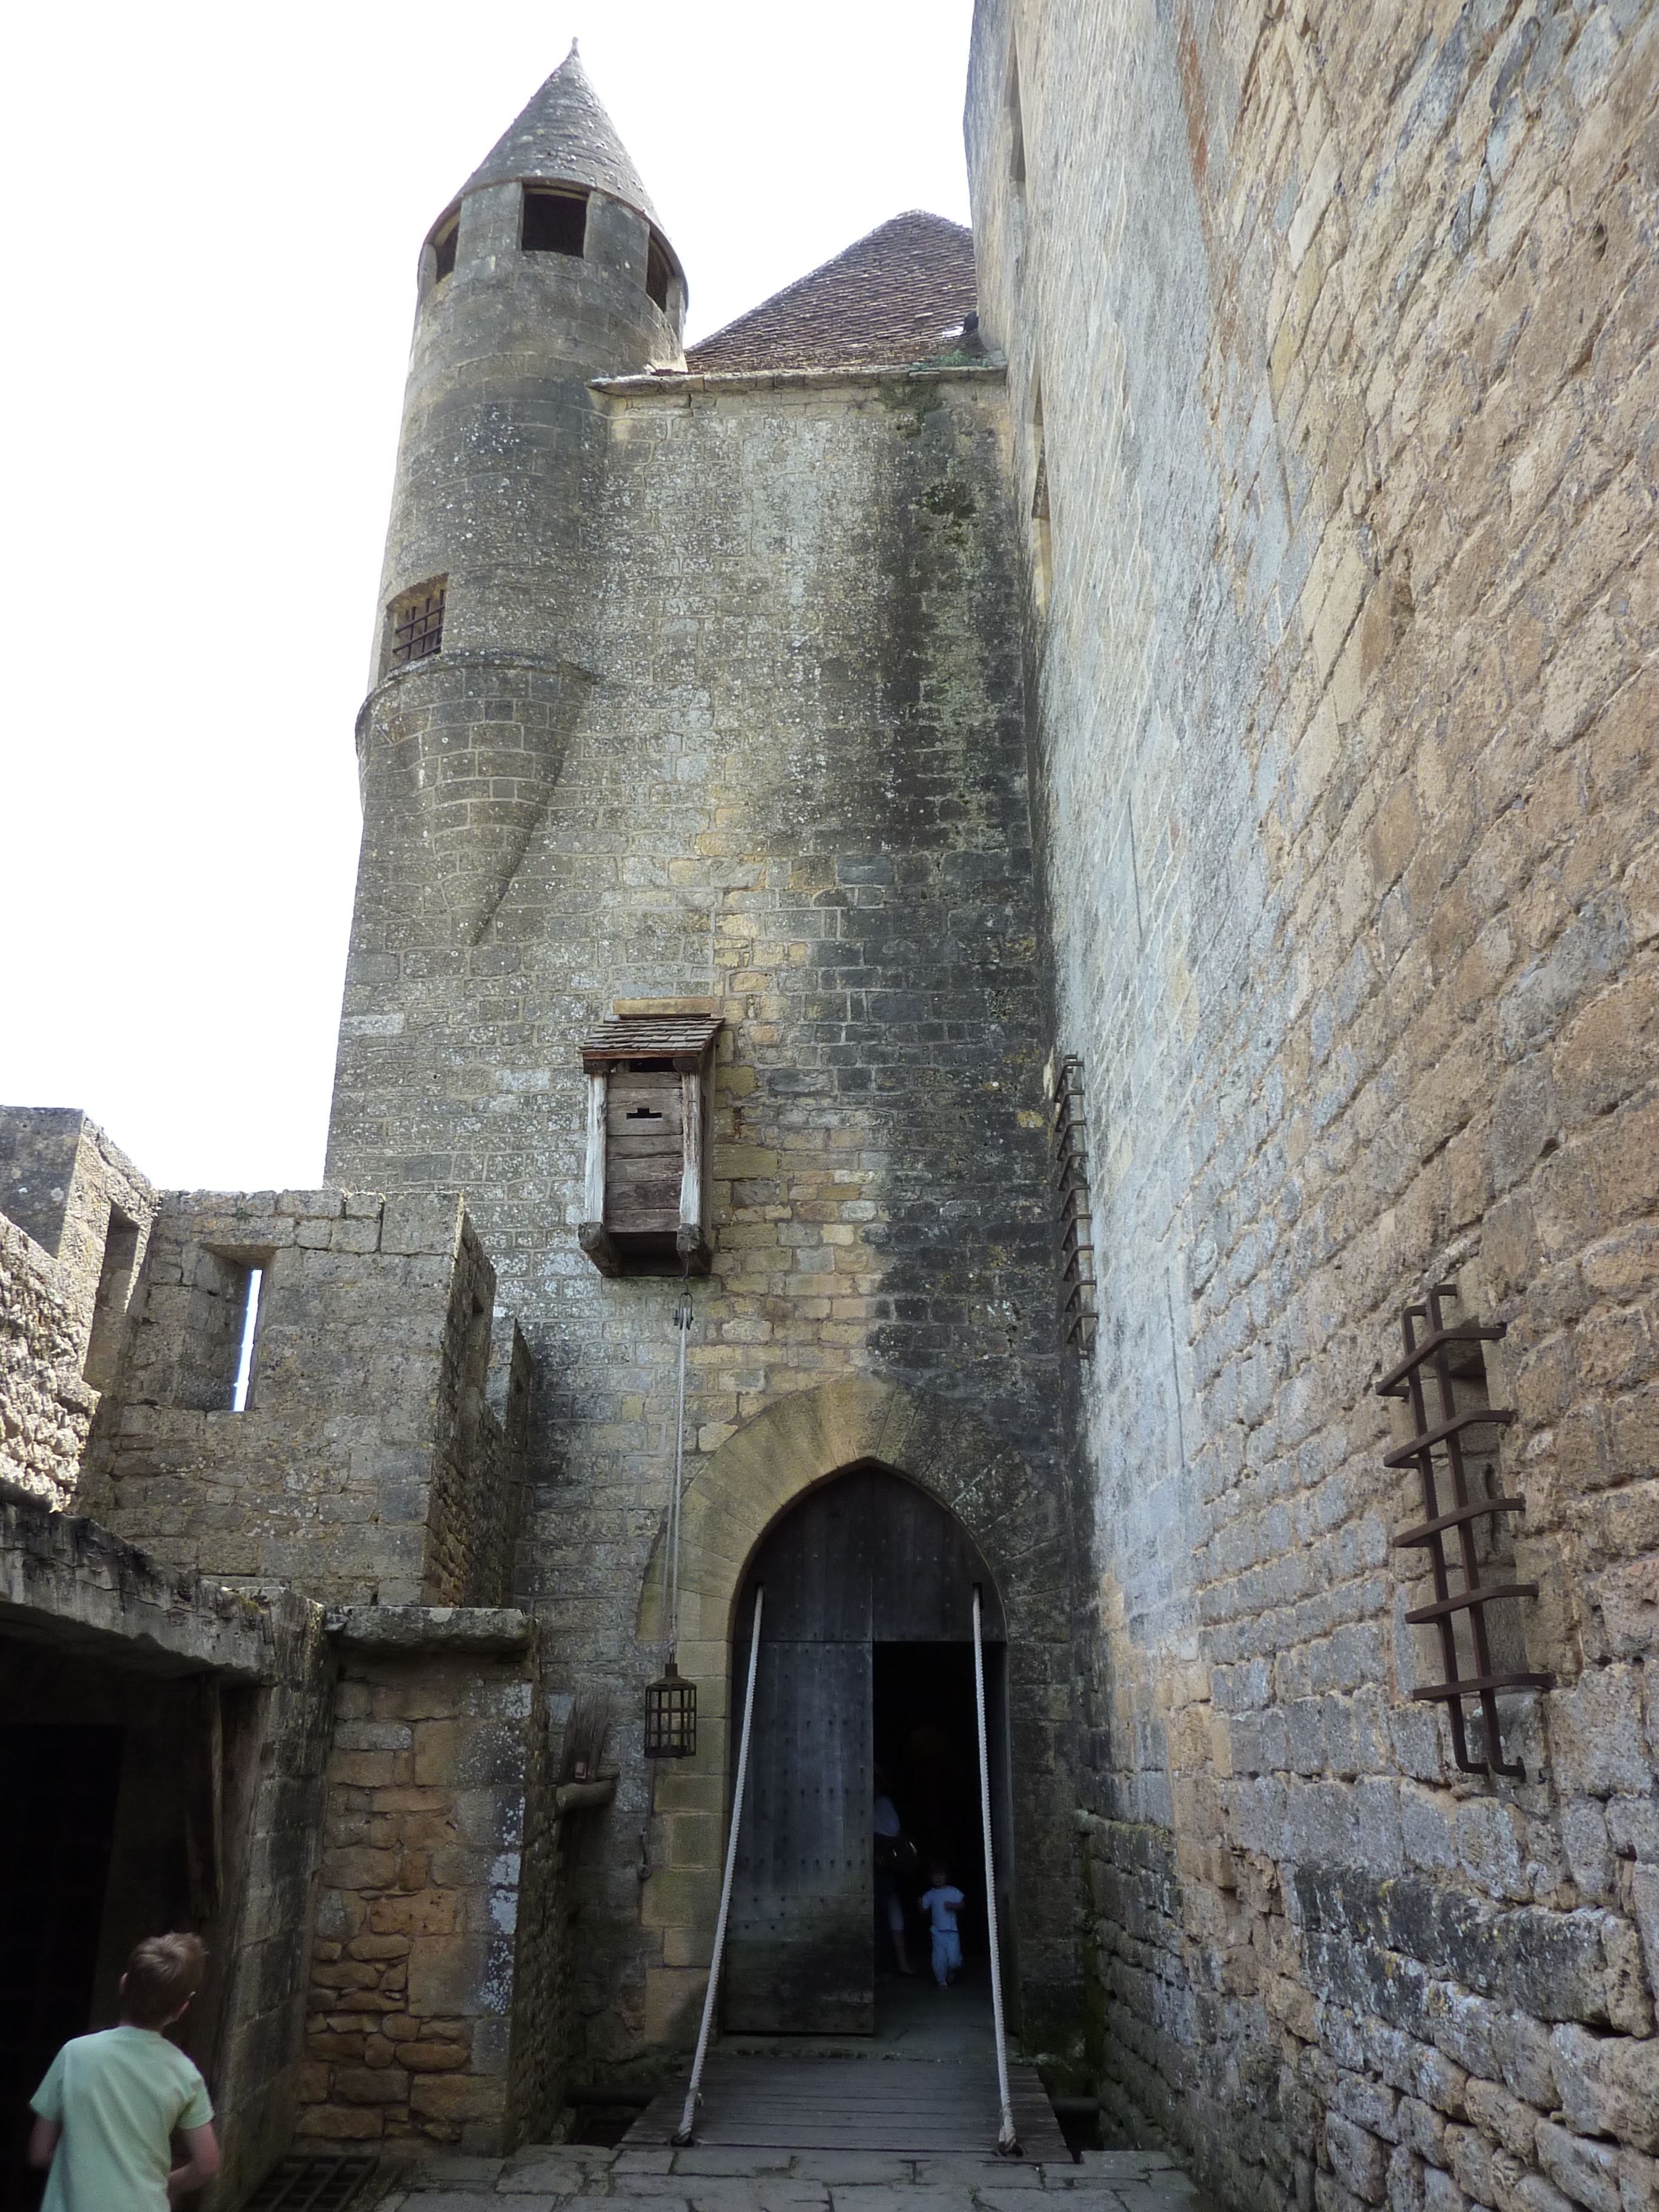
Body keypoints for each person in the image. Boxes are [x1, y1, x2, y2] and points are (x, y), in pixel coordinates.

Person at [28, 1933, 218, 2211]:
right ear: (181, 2009)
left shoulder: (74, 2054)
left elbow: (38, 2153)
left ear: (124, 1983)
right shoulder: (185, 2074)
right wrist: (168, 2183)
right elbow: (207, 2164)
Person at [873, 1772, 916, 1976]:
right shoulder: (882, 1803)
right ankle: (899, 1964)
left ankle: (892, 1965)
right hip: (886, 1870)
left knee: (886, 1914)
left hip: (884, 1868)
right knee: (891, 1913)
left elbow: (892, 1830)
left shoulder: (882, 1804)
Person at [919, 1862, 966, 1988]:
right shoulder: (931, 1894)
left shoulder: (953, 1891)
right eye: (935, 1876)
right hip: (937, 1931)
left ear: (947, 1876)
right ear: (931, 1878)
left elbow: (963, 1905)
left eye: (941, 1875)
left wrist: (953, 1906)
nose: (938, 1878)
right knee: (939, 1958)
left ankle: (952, 1970)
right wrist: (919, 1902)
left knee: (954, 1959)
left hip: (952, 1931)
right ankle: (941, 1980)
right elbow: (923, 1909)